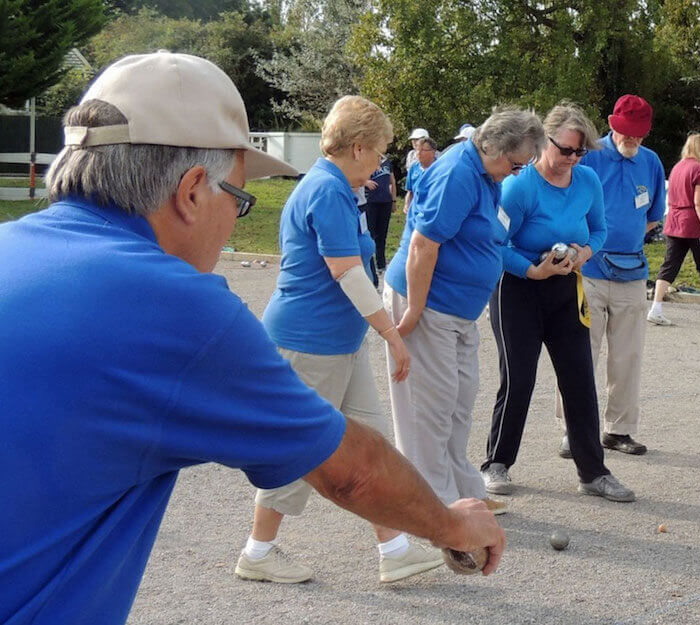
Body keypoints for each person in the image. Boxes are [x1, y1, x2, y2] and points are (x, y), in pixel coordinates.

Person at [0, 52, 505, 625]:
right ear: (192, 192)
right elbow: (351, 470)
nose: (236, 218)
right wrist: (454, 525)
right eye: (239, 200)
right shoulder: (176, 308)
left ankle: (389, 547)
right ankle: (269, 549)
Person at [235, 96, 444, 586]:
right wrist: (393, 336)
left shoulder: (336, 186)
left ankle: (394, 550)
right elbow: (348, 273)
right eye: (378, 152)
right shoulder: (327, 190)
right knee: (299, 450)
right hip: (309, 345)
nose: (381, 162)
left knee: (370, 447)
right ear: (356, 147)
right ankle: (258, 552)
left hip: (339, 346)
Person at [383, 106, 546, 514]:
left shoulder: (485, 173)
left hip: (457, 310)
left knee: (458, 403)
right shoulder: (457, 172)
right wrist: (415, 310)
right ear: (491, 144)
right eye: (513, 164)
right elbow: (423, 245)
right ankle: (433, 504)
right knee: (430, 408)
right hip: (430, 304)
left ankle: (462, 492)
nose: (515, 173)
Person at [479, 102, 636, 503]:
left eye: (580, 152)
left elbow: (599, 229)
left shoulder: (587, 182)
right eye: (565, 149)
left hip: (567, 287)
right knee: (519, 380)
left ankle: (593, 472)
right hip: (519, 288)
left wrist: (585, 253)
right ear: (543, 141)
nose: (572, 159)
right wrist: (533, 271)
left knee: (580, 379)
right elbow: (496, 244)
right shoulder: (520, 185)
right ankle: (496, 463)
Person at [555, 93, 666, 457]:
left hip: (632, 270)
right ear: (611, 123)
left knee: (627, 356)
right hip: (589, 270)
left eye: (638, 135)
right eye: (625, 133)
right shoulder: (589, 156)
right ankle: (574, 430)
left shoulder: (650, 162)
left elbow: (653, 215)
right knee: (580, 353)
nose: (631, 140)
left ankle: (619, 430)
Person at [650, 133, 700, 325]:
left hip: (674, 221)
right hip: (693, 223)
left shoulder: (677, 168)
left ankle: (656, 307)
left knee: (669, 265)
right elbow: (699, 202)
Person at [363, 152, 397, 271]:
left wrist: (393, 200)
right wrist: (366, 182)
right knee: (370, 234)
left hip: (385, 201)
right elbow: (356, 177)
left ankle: (381, 264)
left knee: (382, 235)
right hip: (371, 202)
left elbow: (392, 181)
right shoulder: (367, 159)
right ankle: (369, 264)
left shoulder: (387, 162)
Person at [404, 137, 436, 213]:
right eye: (417, 150)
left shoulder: (439, 168)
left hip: (432, 211)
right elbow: (410, 191)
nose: (418, 153)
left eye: (423, 150)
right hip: (415, 211)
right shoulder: (414, 168)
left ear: (433, 152)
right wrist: (407, 205)